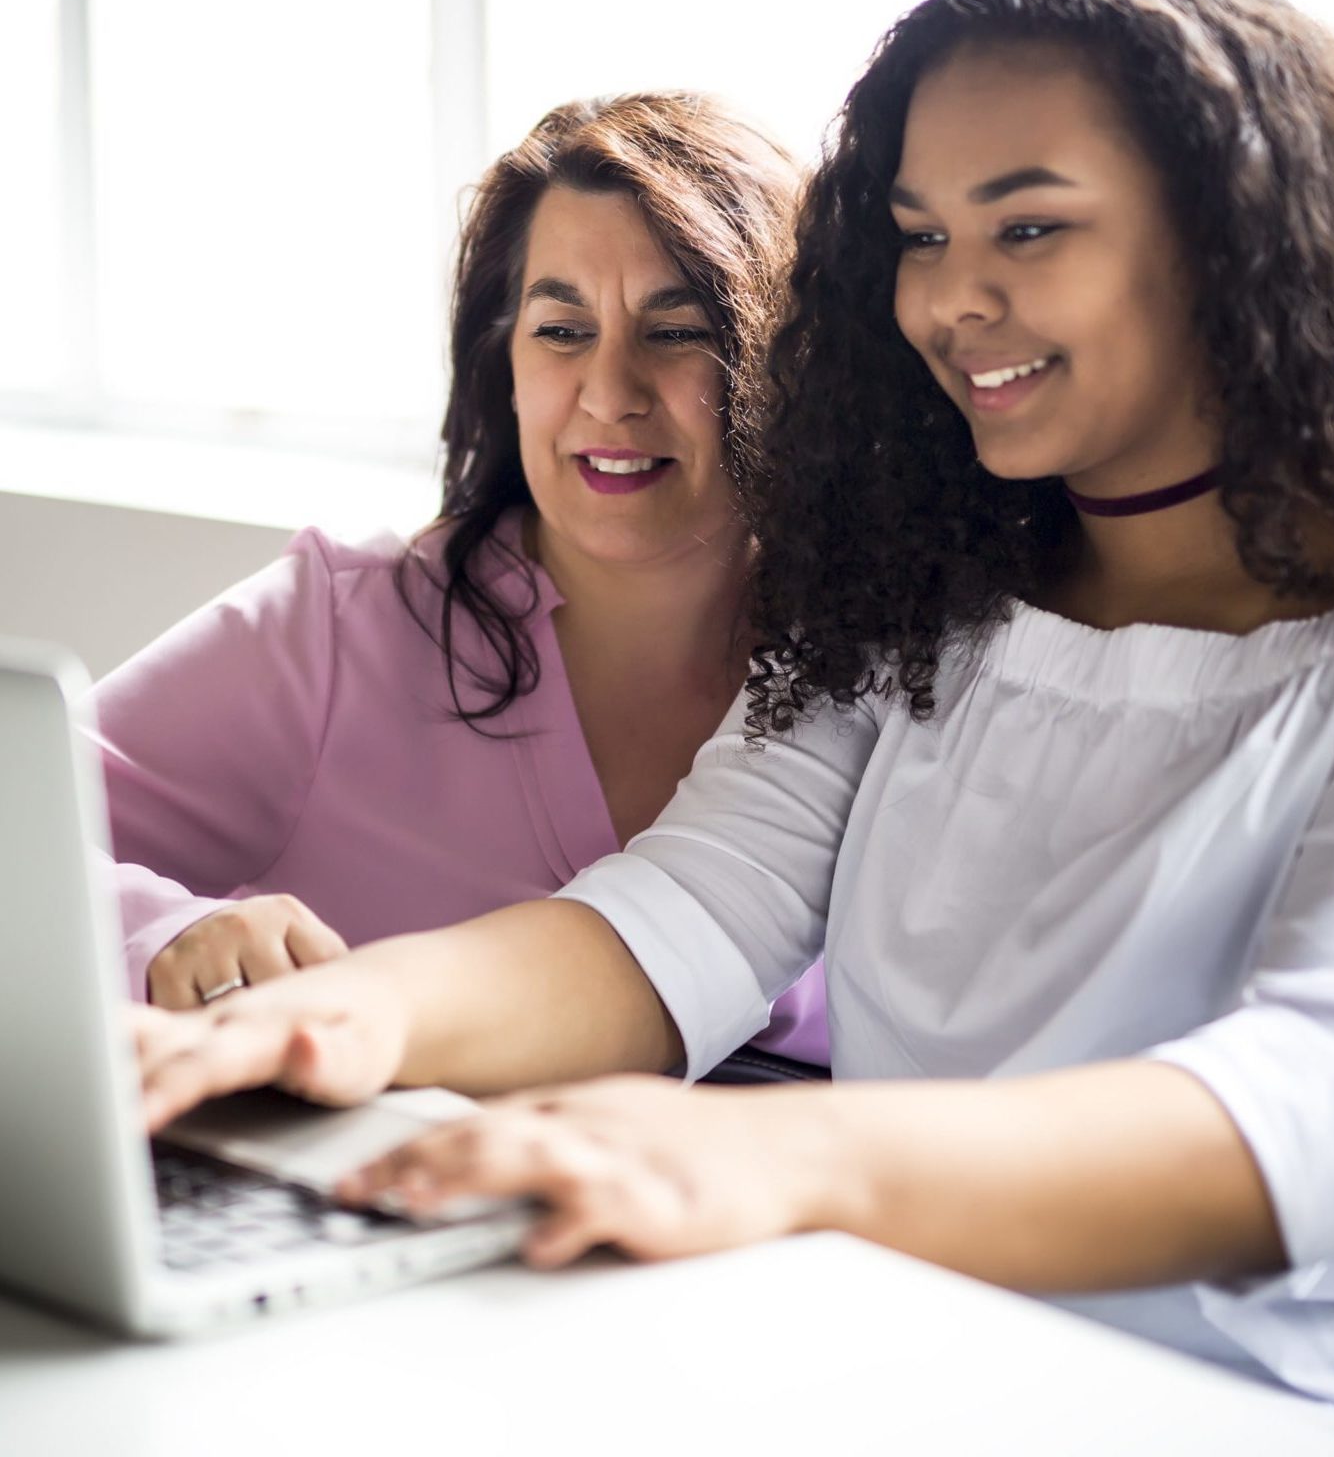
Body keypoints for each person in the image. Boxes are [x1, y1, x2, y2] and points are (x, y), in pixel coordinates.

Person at [135, 0, 1334, 1437]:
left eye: (1028, 230)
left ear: (1234, 240)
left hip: (1318, 1409)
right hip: (917, 1356)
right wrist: (338, 1021)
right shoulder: (926, 593)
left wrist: (789, 1164)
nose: (952, 302)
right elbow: (684, 912)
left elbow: (1327, 1114)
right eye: (919, 239)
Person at [101, 91, 825, 1065]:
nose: (608, 393)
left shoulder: (883, 674)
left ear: (790, 356)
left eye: (676, 330)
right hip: (381, 1200)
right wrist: (159, 931)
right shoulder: (338, 628)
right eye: (561, 331)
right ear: (505, 364)